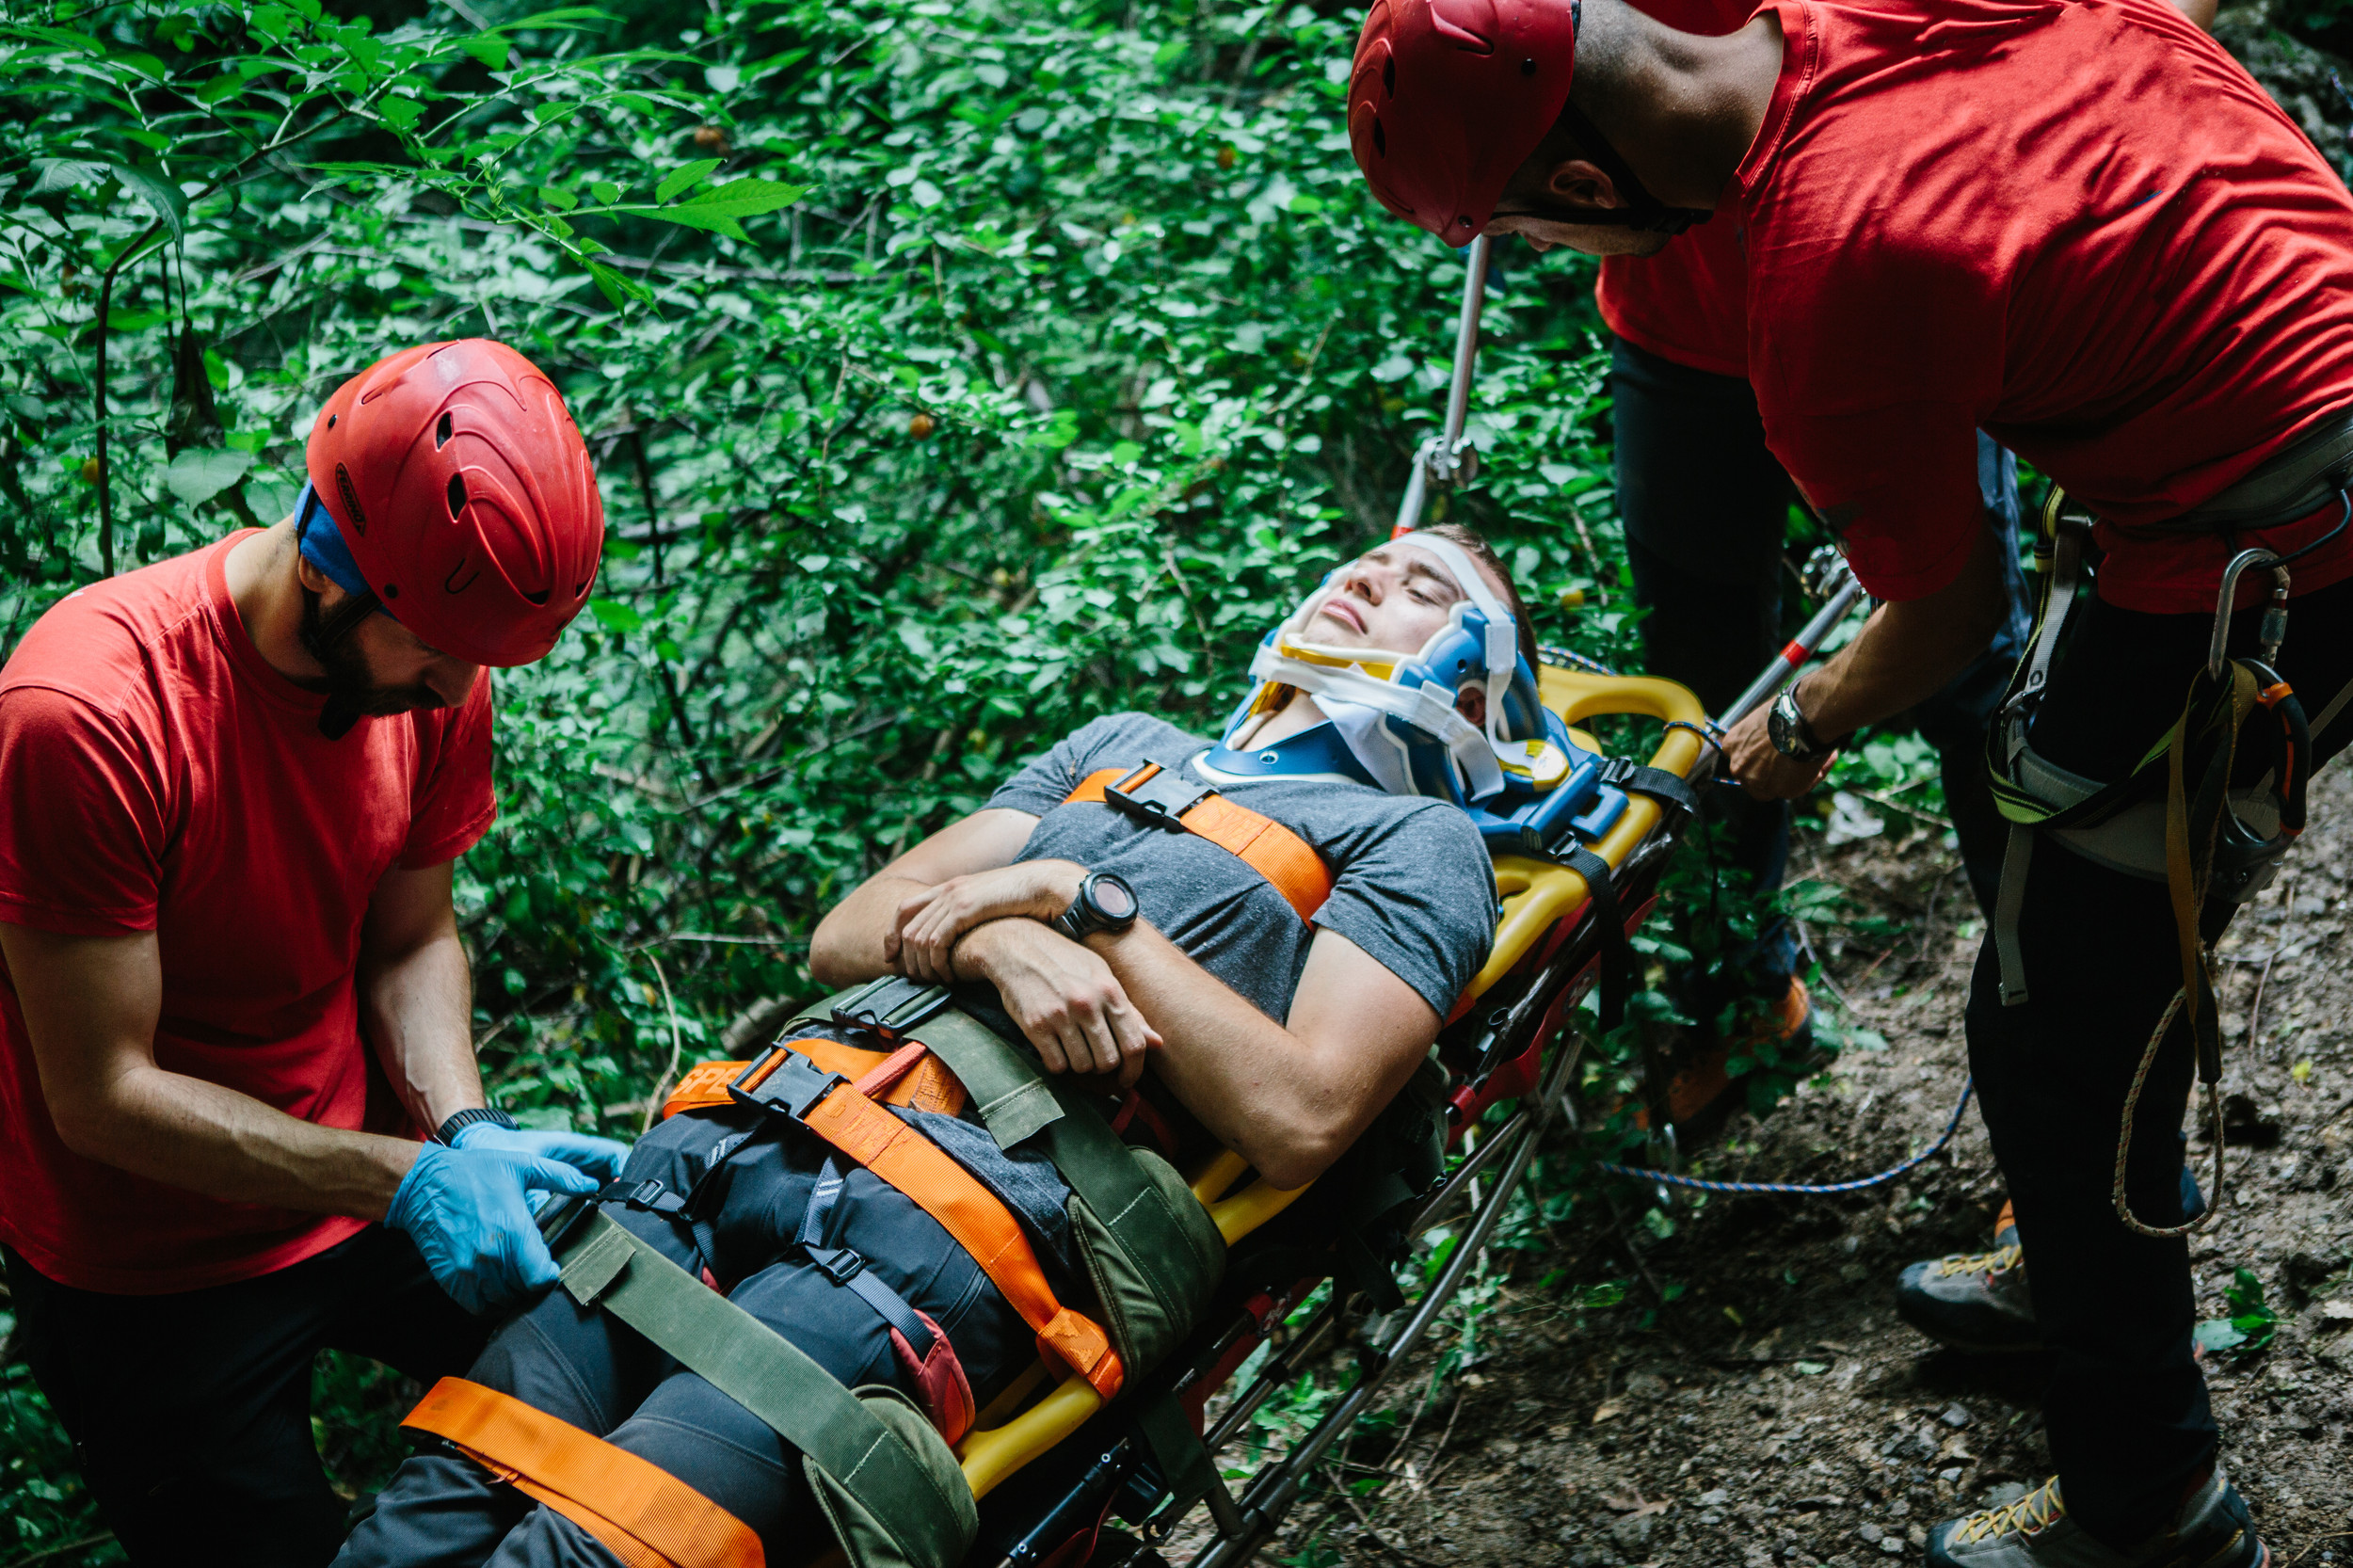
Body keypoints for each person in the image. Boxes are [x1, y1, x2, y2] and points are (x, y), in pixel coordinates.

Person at [1349, 0, 2353, 1563]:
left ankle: (2151, 1504)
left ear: (1598, 195)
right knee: (2089, 964)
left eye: (1540, 234)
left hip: (2274, 546)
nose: (1566, 261)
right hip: (2283, 432)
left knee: (2052, 1025)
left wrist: (1803, 721)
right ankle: (2090, 1260)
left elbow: (1942, 615)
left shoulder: (1827, 275)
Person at [338, 526, 1545, 1566]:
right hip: (731, 1142)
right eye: (1372, 561)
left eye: (1425, 589)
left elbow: (1302, 1116)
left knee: (605, 1541)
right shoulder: (1125, 745)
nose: (1370, 580)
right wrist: (991, 944)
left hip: (941, 1226)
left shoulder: (1418, 839)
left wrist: (1074, 900)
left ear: (1479, 691)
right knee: (428, 1511)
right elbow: (850, 931)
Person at [0, 339, 628, 1565]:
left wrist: (464, 1133)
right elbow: (104, 1095)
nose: (458, 691)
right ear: (335, 574)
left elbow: (411, 939)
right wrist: (400, 1179)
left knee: (632, 1385)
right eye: (440, 653)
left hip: (371, 1162)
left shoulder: (438, 661)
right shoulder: (89, 717)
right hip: (148, 1261)